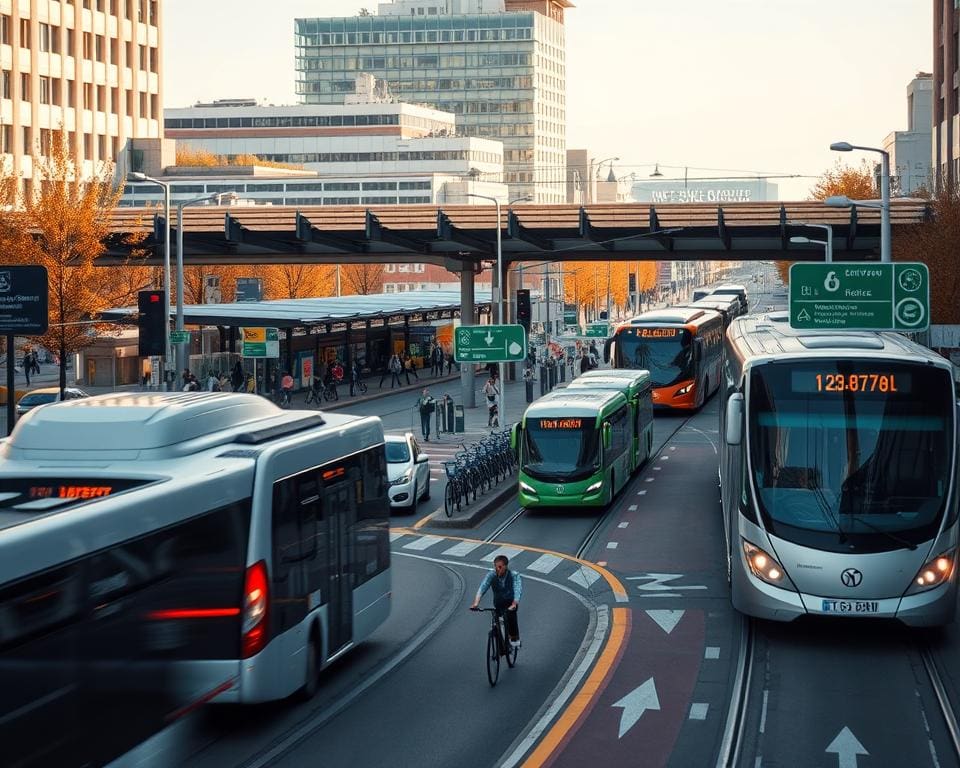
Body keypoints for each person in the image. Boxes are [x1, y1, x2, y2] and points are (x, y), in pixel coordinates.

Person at [470, 555, 522, 648]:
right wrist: (476, 603)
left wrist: (514, 603)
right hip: (498, 603)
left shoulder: (514, 575)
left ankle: (514, 638)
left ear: (506, 566)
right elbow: (483, 587)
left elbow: (518, 590)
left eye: (500, 567)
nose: (497, 569)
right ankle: (501, 644)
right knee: (496, 620)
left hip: (511, 603)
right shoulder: (491, 575)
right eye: (495, 566)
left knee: (511, 616)